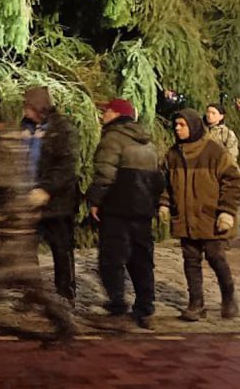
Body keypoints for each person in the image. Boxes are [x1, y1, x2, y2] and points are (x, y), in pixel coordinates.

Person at [0, 96, 75, 357]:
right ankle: (63, 326)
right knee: (12, 285)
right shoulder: (8, 139)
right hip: (13, 225)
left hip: (9, 229)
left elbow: (9, 187)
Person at [87, 98, 164, 329]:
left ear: (115, 114)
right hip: (143, 211)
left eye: (105, 111)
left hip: (117, 208)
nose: (102, 116)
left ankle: (118, 304)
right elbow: (158, 181)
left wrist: (95, 201)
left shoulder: (112, 139)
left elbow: (104, 174)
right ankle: (146, 308)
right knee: (142, 259)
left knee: (112, 258)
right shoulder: (148, 143)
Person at [162, 109, 240, 321]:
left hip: (211, 217)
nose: (177, 129)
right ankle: (196, 303)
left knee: (216, 257)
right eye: (176, 125)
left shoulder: (214, 152)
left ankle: (229, 297)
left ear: (193, 126)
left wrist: (227, 211)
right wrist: (164, 204)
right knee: (191, 261)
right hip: (186, 218)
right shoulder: (173, 154)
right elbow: (164, 184)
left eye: (182, 125)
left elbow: (234, 182)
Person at [22, 86, 80, 304]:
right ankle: (33, 293)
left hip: (57, 201)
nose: (24, 110)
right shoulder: (24, 128)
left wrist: (46, 189)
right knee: (27, 249)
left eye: (28, 105)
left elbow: (65, 165)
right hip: (28, 198)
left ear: (39, 107)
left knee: (61, 248)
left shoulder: (61, 129)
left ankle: (65, 291)